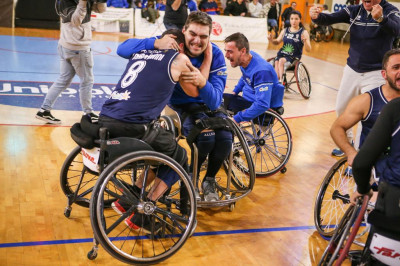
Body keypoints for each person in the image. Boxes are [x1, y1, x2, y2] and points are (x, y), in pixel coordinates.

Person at [116, 11, 230, 202]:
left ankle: (209, 179)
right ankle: (191, 182)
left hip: (208, 104)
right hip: (180, 107)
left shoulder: (216, 54)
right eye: (193, 34)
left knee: (226, 138)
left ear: (210, 37)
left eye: (203, 36)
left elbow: (215, 101)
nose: (197, 40)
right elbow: (122, 49)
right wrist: (154, 43)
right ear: (184, 30)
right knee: (206, 138)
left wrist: (203, 82)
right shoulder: (171, 42)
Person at [99, 29, 193, 232]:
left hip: (105, 118)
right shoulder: (179, 58)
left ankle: (128, 197)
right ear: (179, 44)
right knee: (179, 155)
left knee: (161, 149)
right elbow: (196, 90)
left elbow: (122, 47)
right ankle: (142, 214)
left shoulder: (141, 51)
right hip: (131, 124)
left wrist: (154, 42)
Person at [309, 0, 400, 157]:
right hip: (352, 69)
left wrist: (381, 19)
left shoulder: (390, 11)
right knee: (341, 109)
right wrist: (316, 16)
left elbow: (397, 30)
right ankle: (348, 143)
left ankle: (359, 157)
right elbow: (328, 19)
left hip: (376, 72)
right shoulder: (353, 10)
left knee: (368, 116)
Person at [35, 0, 106, 124]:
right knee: (87, 81)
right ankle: (88, 113)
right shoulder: (64, 2)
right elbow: (76, 20)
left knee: (63, 79)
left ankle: (44, 110)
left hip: (66, 45)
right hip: (78, 48)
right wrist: (83, 2)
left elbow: (100, 10)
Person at [331, 49, 400, 166]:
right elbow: (337, 128)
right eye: (396, 67)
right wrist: (351, 152)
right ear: (384, 74)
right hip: (373, 167)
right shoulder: (367, 100)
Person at [223, 32, 284, 124]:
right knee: (218, 99)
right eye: (226, 51)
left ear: (243, 51)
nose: (226, 55)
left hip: (264, 111)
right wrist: (235, 91)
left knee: (218, 104)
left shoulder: (261, 71)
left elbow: (262, 104)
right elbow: (245, 76)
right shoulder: (246, 58)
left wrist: (237, 118)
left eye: (230, 51)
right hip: (249, 101)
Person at [268, 11, 311, 83]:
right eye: (292, 18)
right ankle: (278, 81)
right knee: (275, 63)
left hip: (294, 57)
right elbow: (277, 42)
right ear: (289, 20)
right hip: (282, 54)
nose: (294, 21)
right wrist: (271, 40)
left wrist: (306, 41)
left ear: (300, 20)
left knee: (281, 61)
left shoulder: (303, 32)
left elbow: (308, 49)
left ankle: (281, 81)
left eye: (296, 19)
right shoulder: (285, 30)